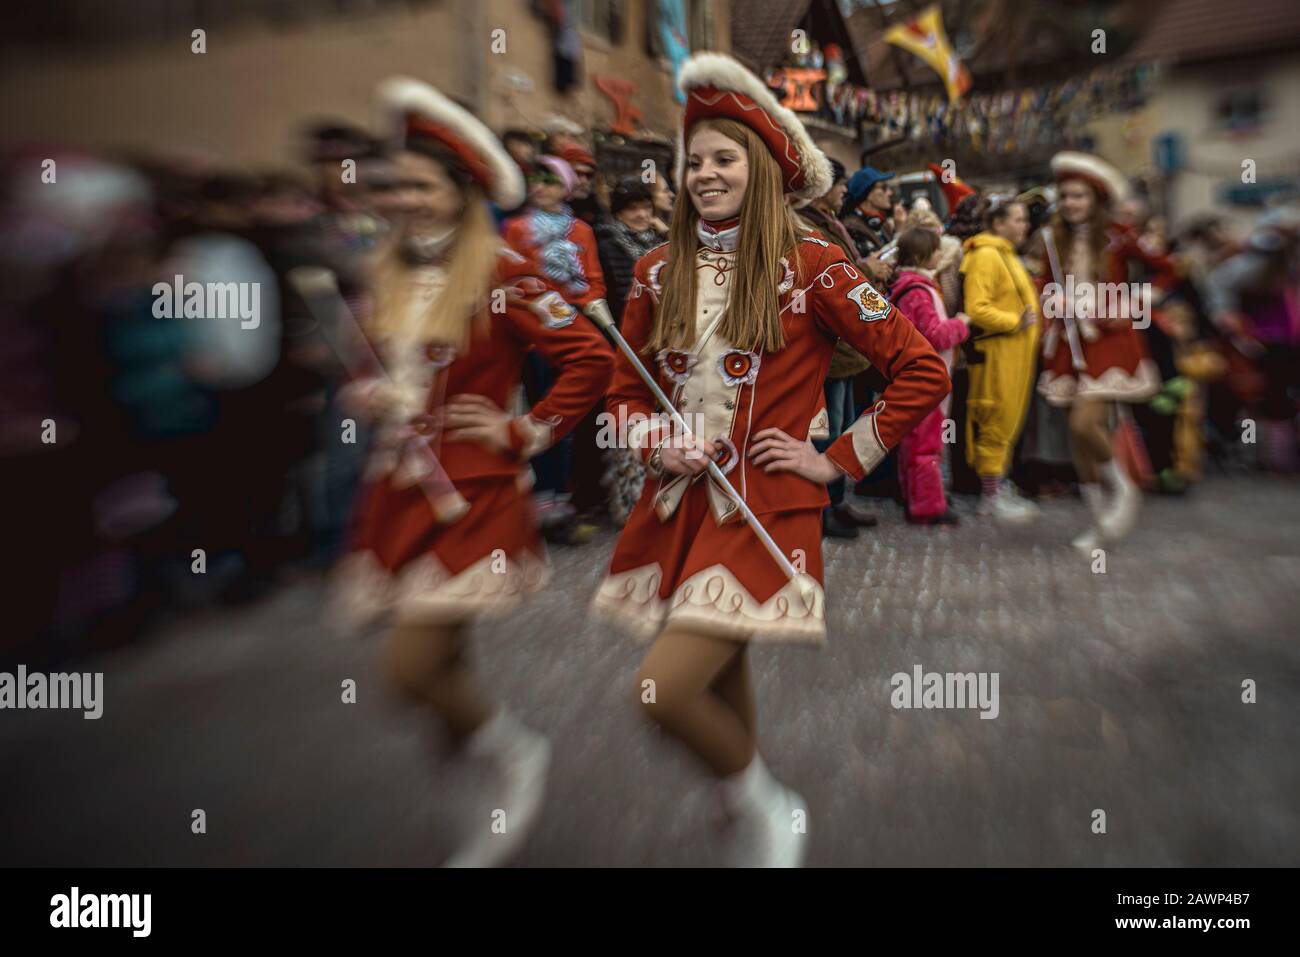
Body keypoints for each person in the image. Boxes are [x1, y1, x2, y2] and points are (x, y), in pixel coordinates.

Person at [589, 53, 949, 867]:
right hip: (675, 509)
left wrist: (838, 458)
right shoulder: (652, 271)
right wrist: (657, 439)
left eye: (726, 157)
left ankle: (762, 801)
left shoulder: (816, 263)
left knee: (662, 689)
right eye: (695, 160)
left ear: (761, 169)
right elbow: (621, 395)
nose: (707, 172)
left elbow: (921, 366)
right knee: (717, 669)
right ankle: (748, 811)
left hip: (765, 511)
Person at [333, 77, 613, 866]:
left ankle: (514, 751)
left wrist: (526, 427)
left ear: (462, 192)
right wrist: (370, 393)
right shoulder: (381, 274)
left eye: (425, 186)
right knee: (439, 661)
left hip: (475, 491)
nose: (408, 200)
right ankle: (471, 801)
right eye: (399, 186)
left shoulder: (505, 271)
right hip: (397, 489)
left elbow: (591, 358)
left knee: (407, 667)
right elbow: (376, 368)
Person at [1035, 151, 1176, 549]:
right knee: (1078, 439)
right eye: (1064, 197)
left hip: (1109, 340)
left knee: (1085, 423)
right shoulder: (1052, 238)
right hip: (1068, 343)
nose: (1070, 204)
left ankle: (1124, 488)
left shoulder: (1118, 235)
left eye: (1078, 196)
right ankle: (1099, 521)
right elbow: (1044, 285)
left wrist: (1136, 301)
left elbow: (1167, 267)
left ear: (1095, 198)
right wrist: (1051, 301)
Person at [960, 198, 1042, 524]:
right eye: (1018, 220)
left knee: (1007, 422)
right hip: (997, 354)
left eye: (1024, 220)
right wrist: (1012, 322)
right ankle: (990, 495)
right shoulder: (985, 255)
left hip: (1014, 354)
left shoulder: (1005, 254)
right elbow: (976, 308)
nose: (1025, 226)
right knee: (994, 419)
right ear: (998, 222)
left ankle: (998, 486)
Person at [891, 226, 971, 524]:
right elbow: (934, 335)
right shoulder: (919, 290)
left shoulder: (910, 285)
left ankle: (915, 494)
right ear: (923, 254)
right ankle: (927, 505)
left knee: (915, 440)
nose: (940, 254)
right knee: (926, 442)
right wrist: (961, 324)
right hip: (926, 378)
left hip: (917, 377)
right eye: (936, 249)